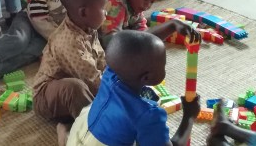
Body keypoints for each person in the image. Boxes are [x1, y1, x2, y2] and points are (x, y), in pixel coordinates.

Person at [66, 30, 200, 146]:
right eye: (163, 65)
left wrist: (172, 26)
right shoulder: (148, 115)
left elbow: (136, 45)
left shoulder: (110, 73)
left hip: (79, 134)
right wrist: (189, 116)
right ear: (146, 78)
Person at [32, 0, 108, 122]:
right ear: (83, 12)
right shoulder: (69, 41)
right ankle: (91, 126)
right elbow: (92, 81)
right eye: (102, 8)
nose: (105, 12)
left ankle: (66, 126)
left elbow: (100, 60)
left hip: (78, 89)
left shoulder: (88, 28)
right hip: (46, 98)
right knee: (74, 88)